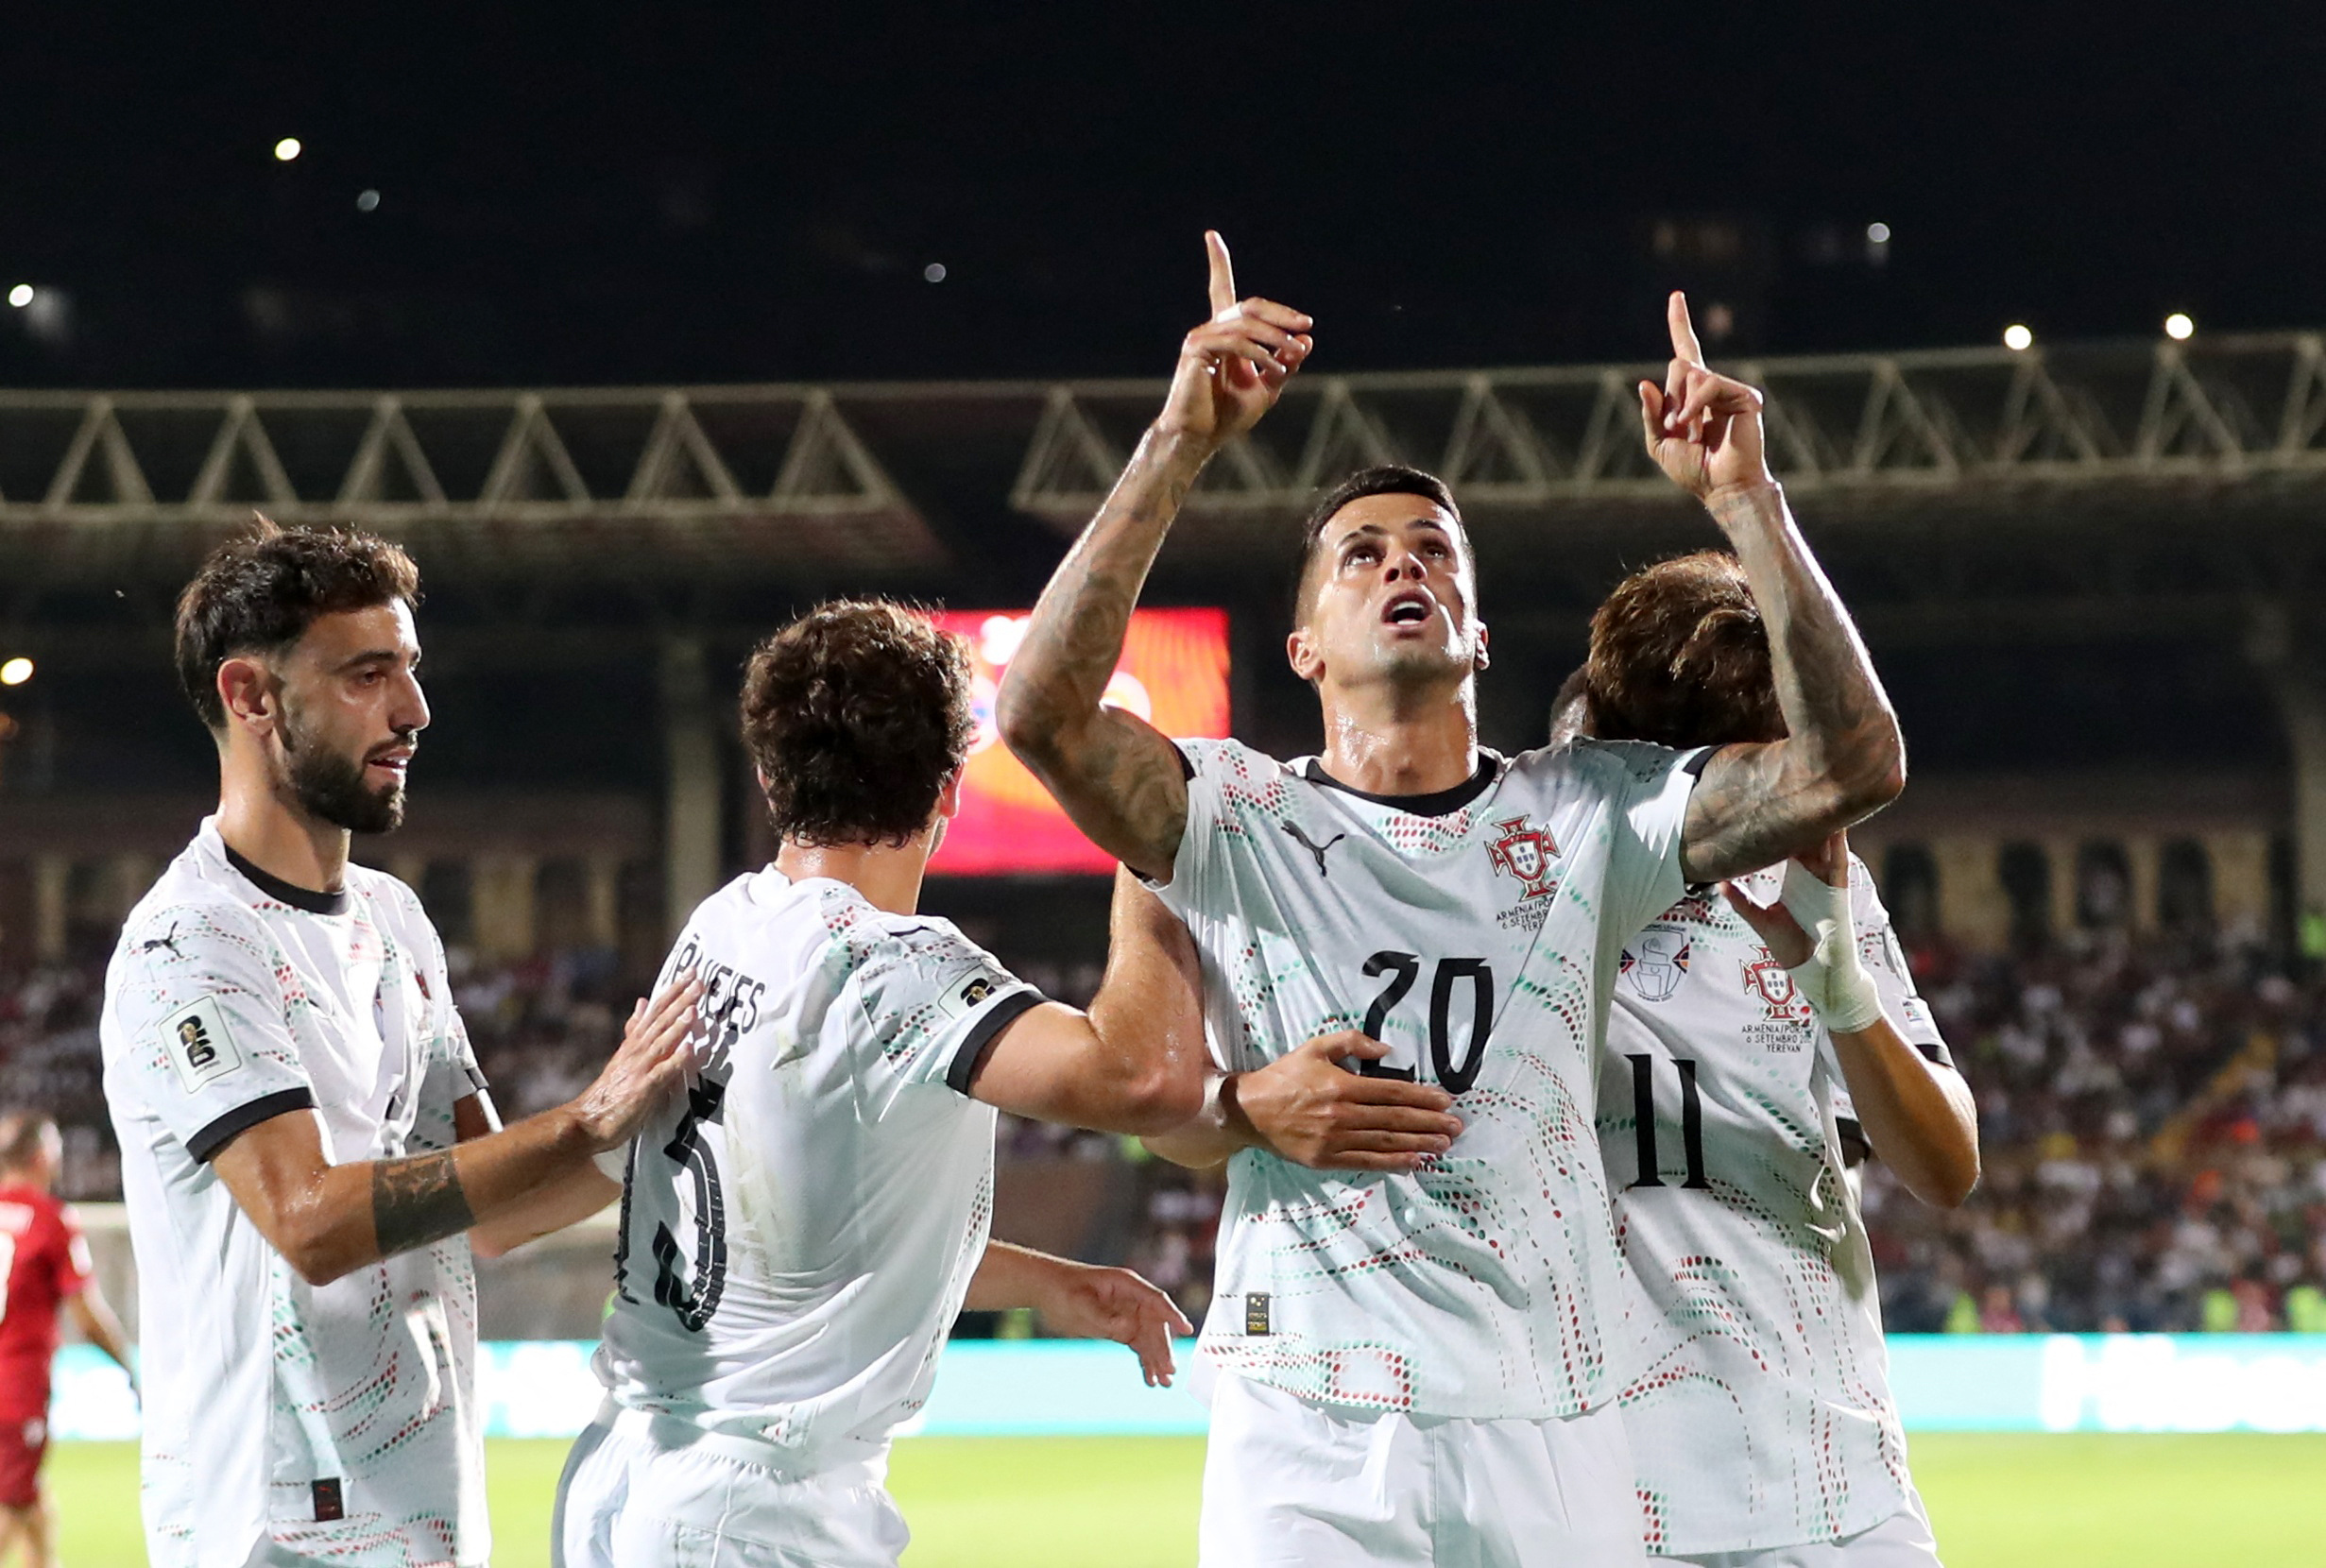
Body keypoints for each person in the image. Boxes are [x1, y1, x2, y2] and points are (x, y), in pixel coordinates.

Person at [997, 232, 1906, 1566]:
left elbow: (1854, 764)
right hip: (1308, 1418)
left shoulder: (1594, 809)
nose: (1401, 565)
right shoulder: (1237, 816)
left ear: (1479, 630)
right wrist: (1181, 443)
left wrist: (1747, 506)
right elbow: (1039, 714)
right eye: (1358, 555)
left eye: (1433, 549)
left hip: (1552, 1414)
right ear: (1303, 645)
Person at [555, 599, 1207, 1568]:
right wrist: (1148, 851)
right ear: (948, 792)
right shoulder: (894, 968)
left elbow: (807, 1243)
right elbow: (1142, 1075)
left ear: (771, 776)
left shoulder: (724, 925)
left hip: (623, 1477)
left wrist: (1042, 1282)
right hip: (751, 1510)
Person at [100, 520, 698, 1568]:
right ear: (250, 696)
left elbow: (503, 1208)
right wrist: (586, 1116)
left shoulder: (392, 919)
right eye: (366, 676)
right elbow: (309, 1221)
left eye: (409, 671)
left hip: (424, 1521)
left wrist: (683, 1114)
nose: (414, 712)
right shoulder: (190, 941)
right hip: (273, 1531)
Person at [1550, 551, 1978, 1565]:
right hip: (1609, 1507)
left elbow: (1944, 1165)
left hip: (1836, 1490)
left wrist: (1829, 975)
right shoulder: (1527, 903)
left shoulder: (1821, 888)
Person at [0, 1113, 133, 1568]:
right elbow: (88, 1317)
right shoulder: (51, 1219)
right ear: (41, 1156)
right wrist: (128, 1365)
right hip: (14, 1393)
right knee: (10, 1510)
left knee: (35, 1508)